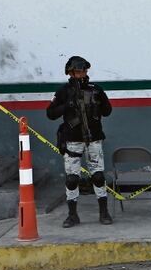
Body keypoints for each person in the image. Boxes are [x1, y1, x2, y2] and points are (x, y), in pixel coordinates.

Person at [47, 55, 114, 227]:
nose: (81, 74)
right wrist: (67, 105)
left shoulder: (96, 89)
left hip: (94, 139)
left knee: (98, 176)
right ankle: (72, 215)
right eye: (77, 72)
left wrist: (98, 101)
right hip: (72, 140)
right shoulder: (63, 91)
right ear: (70, 73)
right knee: (72, 179)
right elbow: (50, 113)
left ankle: (104, 212)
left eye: (83, 71)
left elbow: (107, 111)